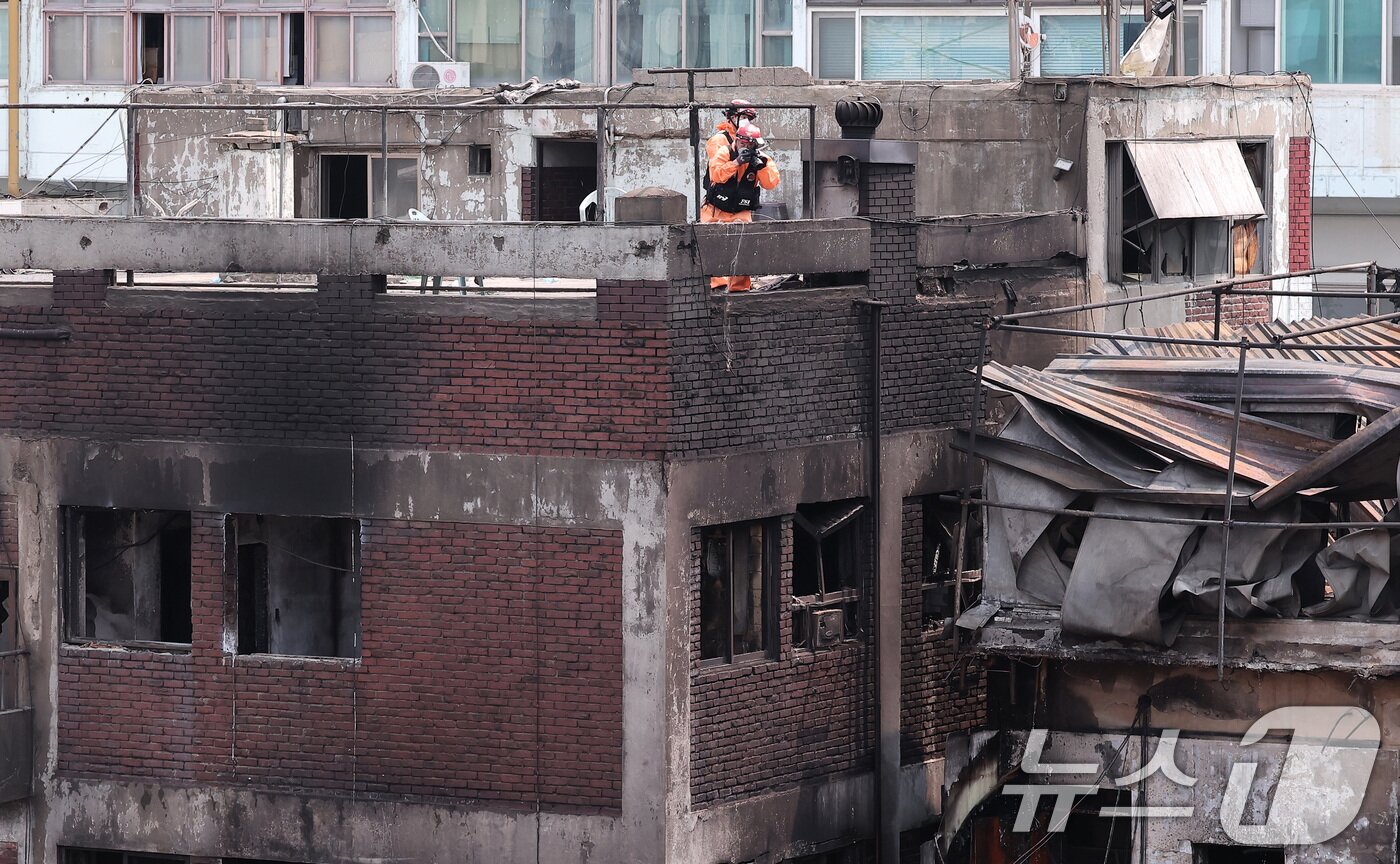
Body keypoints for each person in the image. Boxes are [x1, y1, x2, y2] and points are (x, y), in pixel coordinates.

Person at [702, 100, 781, 292]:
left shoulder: (761, 156)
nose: (745, 121)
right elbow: (716, 174)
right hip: (717, 206)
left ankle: (739, 289)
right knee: (712, 244)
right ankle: (717, 286)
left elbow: (771, 182)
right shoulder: (721, 144)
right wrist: (736, 161)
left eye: (748, 118)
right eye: (742, 117)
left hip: (741, 207)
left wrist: (759, 165)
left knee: (743, 245)